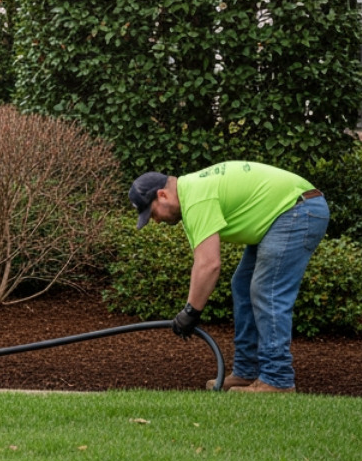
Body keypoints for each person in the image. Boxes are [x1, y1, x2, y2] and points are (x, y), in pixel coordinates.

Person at [129, 161, 330, 393]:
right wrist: (191, 310)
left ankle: (277, 379)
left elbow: (209, 264)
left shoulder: (196, 198)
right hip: (285, 212)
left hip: (298, 209)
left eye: (151, 212)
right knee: (242, 285)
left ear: (162, 195)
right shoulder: (192, 194)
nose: (155, 220)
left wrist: (191, 312)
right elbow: (202, 262)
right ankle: (247, 372)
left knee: (267, 290)